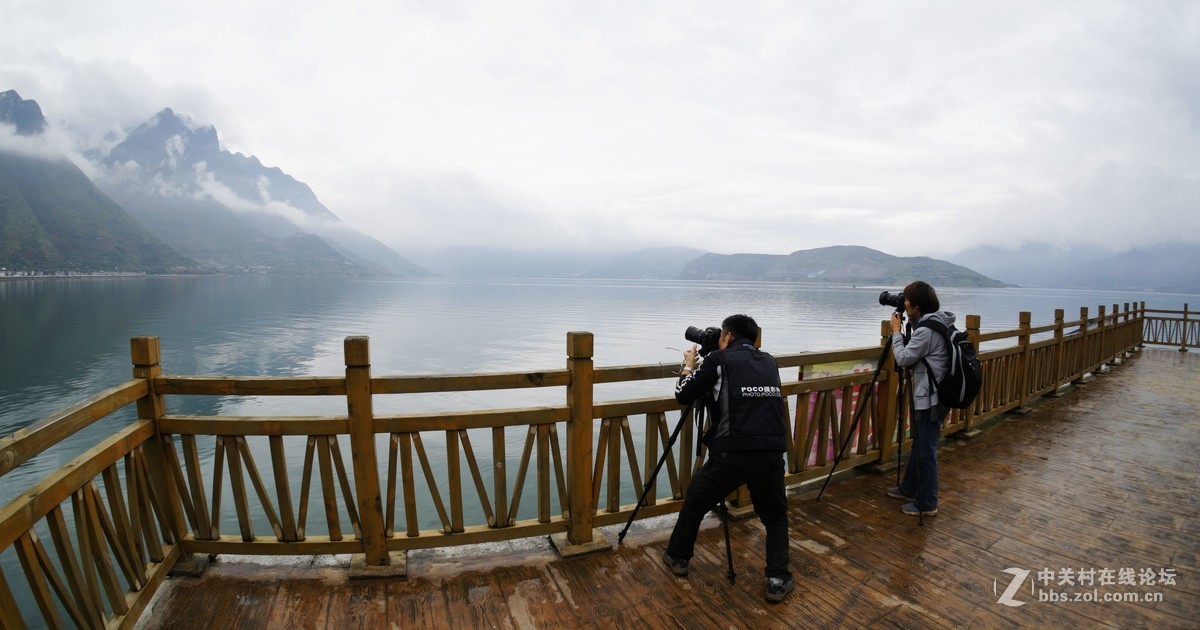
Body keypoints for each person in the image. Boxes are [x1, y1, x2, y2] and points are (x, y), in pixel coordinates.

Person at [662, 314, 794, 604]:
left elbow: (683, 395)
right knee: (775, 517)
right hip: (771, 451)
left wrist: (689, 365)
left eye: (722, 335)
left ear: (729, 336)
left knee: (695, 502)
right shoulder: (769, 361)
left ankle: (678, 557)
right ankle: (778, 578)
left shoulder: (717, 361)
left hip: (732, 452)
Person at [886, 281, 954, 517]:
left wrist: (896, 332)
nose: (903, 303)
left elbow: (904, 359)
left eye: (906, 300)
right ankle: (909, 488)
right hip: (939, 394)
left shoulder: (926, 331)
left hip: (930, 398)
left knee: (926, 451)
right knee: (921, 444)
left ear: (916, 305)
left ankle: (927, 503)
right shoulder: (938, 322)